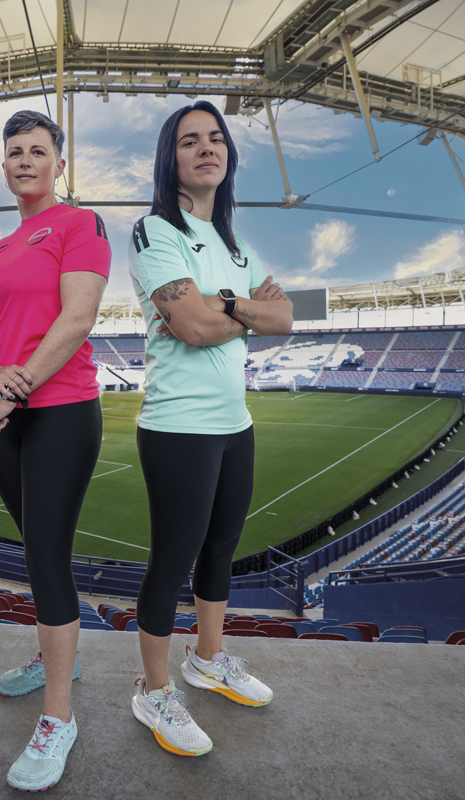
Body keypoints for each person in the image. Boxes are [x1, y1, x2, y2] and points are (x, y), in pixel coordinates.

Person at [126, 101, 293, 757]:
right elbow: (191, 329)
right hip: (178, 427)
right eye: (190, 140)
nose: (206, 148)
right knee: (171, 563)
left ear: (228, 155)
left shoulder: (237, 245)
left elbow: (288, 318)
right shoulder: (153, 230)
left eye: (216, 138)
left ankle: (208, 659)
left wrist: (222, 303)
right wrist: (240, 310)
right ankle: (154, 689)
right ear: (171, 160)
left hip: (235, 424)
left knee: (221, 549)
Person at [0, 110, 110, 791]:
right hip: (6, 411)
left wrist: (13, 391)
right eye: (15, 151)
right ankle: (61, 658)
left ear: (59, 164)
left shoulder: (80, 225)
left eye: (38, 151)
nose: (25, 160)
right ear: (6, 165)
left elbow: (77, 319)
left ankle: (59, 716)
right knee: (35, 550)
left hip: (60, 410)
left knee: (47, 554)